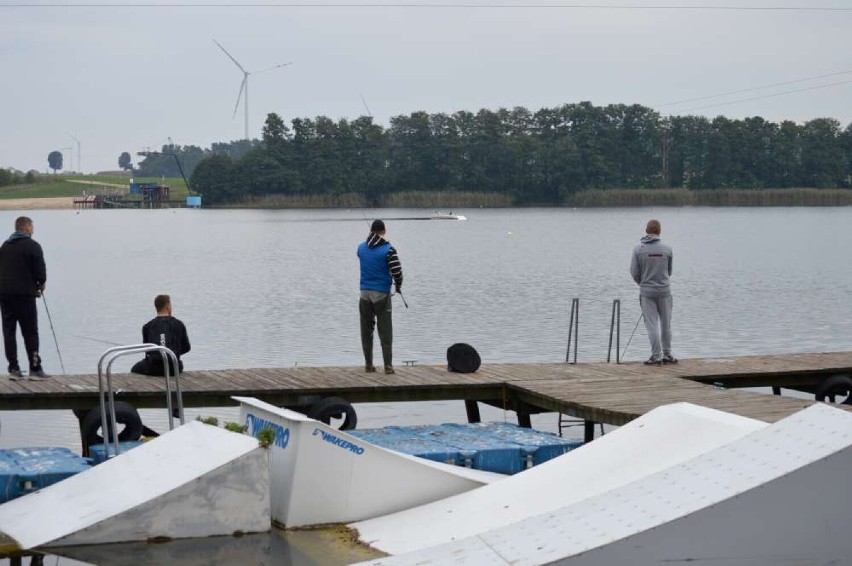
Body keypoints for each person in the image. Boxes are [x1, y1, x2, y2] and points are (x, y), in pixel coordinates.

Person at [0, 216, 49, 379]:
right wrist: (41, 284)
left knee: (9, 332)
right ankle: (34, 367)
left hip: (5, 295)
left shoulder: (5, 246)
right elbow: (40, 272)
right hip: (25, 296)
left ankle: (13, 368)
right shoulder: (33, 246)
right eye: (32, 227)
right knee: (30, 332)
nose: (33, 230)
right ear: (26, 227)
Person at [358, 219, 403, 375]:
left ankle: (368, 365)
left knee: (366, 331)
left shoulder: (360, 248)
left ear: (371, 231)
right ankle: (388, 367)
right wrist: (398, 286)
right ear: (384, 231)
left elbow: (366, 258)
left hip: (364, 294)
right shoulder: (389, 250)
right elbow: (397, 272)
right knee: (385, 331)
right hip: (381, 295)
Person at [630, 219, 676, 366]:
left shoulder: (638, 249)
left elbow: (634, 272)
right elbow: (669, 271)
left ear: (646, 231)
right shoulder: (667, 249)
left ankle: (655, 356)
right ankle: (667, 354)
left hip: (647, 292)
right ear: (659, 231)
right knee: (666, 324)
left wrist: (642, 284)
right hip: (664, 291)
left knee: (652, 325)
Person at [131, 294, 191, 376]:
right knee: (179, 363)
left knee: (134, 369)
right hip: (173, 368)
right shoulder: (179, 324)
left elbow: (147, 350)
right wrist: (172, 352)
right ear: (168, 306)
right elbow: (186, 348)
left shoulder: (147, 326)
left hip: (153, 368)